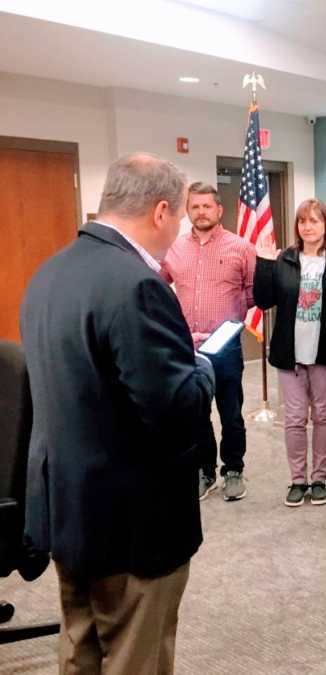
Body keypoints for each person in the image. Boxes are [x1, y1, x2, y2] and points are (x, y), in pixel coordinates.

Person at [19, 153, 216, 674]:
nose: (175, 231)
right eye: (176, 218)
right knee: (135, 658)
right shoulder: (137, 286)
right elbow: (175, 410)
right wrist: (203, 368)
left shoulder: (49, 272)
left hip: (70, 508)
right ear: (160, 212)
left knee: (79, 650)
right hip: (133, 527)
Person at [161, 182, 256, 502]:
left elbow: (252, 290)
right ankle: (206, 471)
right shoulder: (174, 249)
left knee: (231, 413)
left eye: (207, 206)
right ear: (187, 211)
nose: (201, 212)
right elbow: (159, 288)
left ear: (219, 210)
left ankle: (233, 470)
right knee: (196, 414)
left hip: (225, 347)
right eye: (195, 206)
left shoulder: (241, 247)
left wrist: (233, 318)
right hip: (188, 347)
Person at [254, 199, 326, 507]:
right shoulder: (284, 259)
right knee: (295, 418)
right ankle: (298, 480)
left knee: (323, 414)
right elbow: (263, 301)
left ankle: (319, 478)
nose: (307, 227)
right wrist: (264, 264)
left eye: (314, 221)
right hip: (290, 353)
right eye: (302, 221)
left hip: (325, 352)